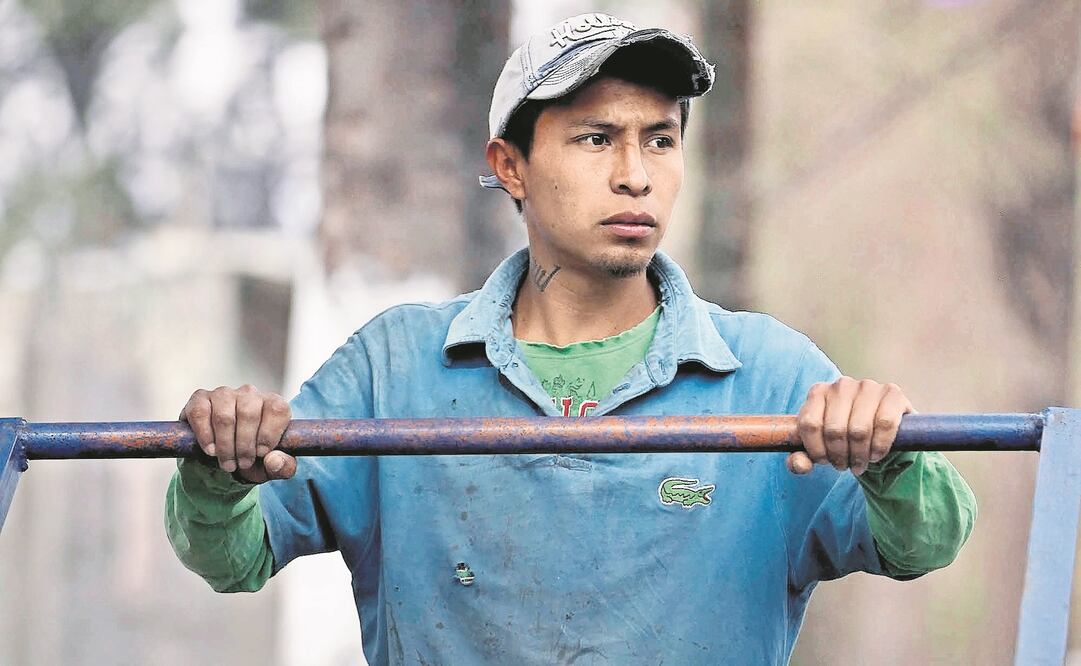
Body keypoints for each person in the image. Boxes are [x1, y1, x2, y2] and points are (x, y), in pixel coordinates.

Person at [166, 12, 976, 664]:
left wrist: (892, 451)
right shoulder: (395, 368)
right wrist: (217, 469)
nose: (636, 174)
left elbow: (923, 543)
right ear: (509, 166)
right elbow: (235, 556)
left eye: (659, 139)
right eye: (596, 139)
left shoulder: (766, 374)